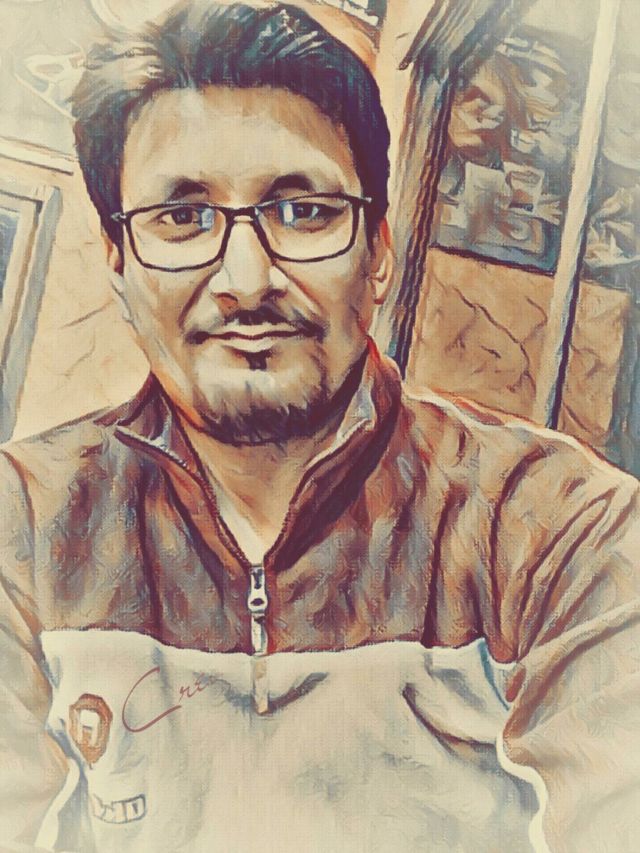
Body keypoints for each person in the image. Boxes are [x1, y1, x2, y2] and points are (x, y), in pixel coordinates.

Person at [0, 3, 638, 851]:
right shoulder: (23, 523)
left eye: (302, 211)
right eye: (181, 218)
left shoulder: (561, 526)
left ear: (380, 249)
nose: (245, 279)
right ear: (118, 265)